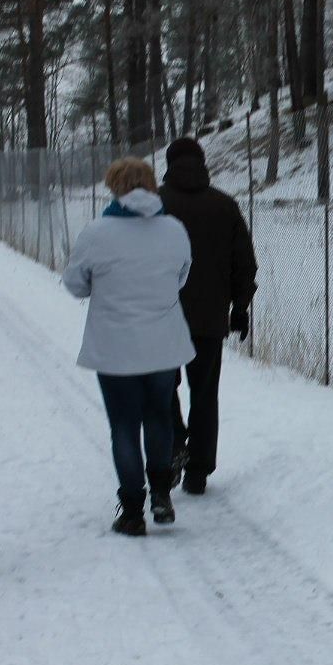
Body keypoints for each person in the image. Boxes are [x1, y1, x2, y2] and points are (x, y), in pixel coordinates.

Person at [64, 158, 195, 536]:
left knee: (123, 426)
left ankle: (133, 510)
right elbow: (181, 276)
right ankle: (161, 495)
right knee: (159, 419)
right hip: (162, 344)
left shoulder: (96, 232)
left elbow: (76, 285)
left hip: (115, 347)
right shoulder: (174, 230)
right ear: (152, 186)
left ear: (114, 188)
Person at [159, 138, 257, 496]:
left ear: (169, 164)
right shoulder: (224, 206)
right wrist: (240, 307)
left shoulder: (153, 205)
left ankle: (173, 442)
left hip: (159, 319)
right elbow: (244, 264)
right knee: (204, 393)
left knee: (161, 389)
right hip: (209, 318)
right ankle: (198, 471)